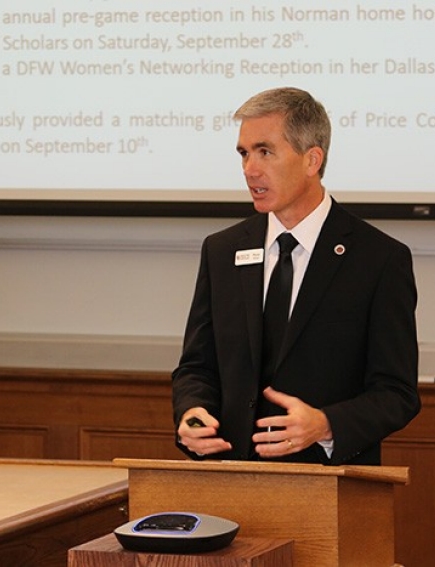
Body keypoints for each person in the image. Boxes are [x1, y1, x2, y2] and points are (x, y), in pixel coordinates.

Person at [171, 87, 420, 465]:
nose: (250, 169)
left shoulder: (379, 259)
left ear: (312, 160)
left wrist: (325, 424)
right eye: (244, 153)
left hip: (328, 485)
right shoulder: (222, 251)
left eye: (265, 152)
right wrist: (193, 413)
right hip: (230, 478)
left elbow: (397, 392)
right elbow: (197, 366)